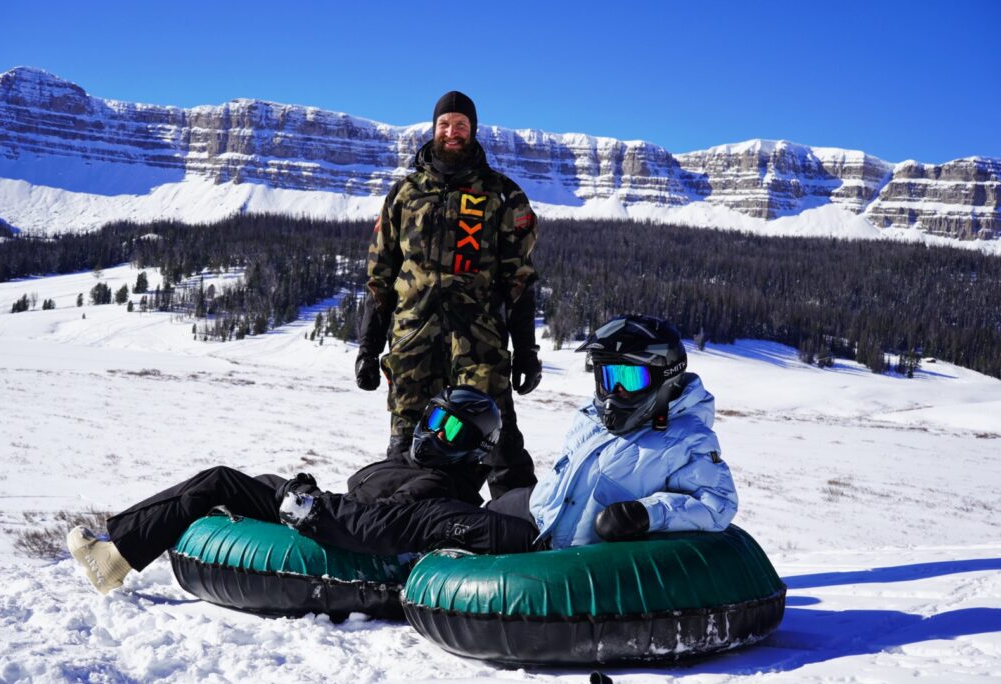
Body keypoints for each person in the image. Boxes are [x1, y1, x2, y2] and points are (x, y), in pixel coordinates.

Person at [69, 315, 736, 594]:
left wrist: (645, 517)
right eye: (602, 378)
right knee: (220, 478)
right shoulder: (596, 422)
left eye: (624, 379)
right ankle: (117, 554)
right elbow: (533, 477)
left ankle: (124, 554)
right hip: (522, 512)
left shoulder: (686, 440)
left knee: (425, 518)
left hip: (527, 539)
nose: (608, 392)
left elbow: (714, 504)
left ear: (663, 377)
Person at [354, 90, 541, 501]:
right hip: (411, 344)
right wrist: (368, 348)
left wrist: (526, 352)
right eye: (444, 124)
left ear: (473, 131)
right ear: (433, 129)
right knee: (406, 442)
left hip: (479, 345)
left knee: (499, 440)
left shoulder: (501, 194)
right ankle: (396, 528)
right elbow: (379, 277)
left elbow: (520, 280)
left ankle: (524, 526)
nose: (451, 132)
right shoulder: (404, 194)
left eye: (460, 125)